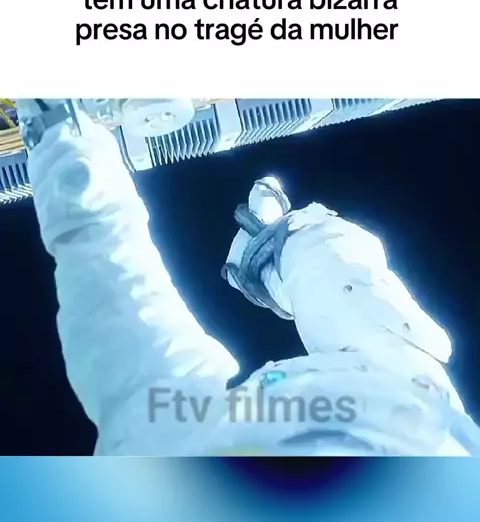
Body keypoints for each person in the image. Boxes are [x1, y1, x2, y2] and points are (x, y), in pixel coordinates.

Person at [18, 99, 480, 456]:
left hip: (345, 421)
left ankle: (270, 259)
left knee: (135, 359)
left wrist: (60, 135)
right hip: (409, 405)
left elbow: (113, 286)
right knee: (339, 272)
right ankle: (275, 254)